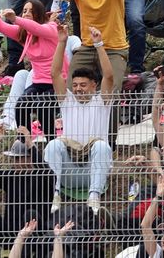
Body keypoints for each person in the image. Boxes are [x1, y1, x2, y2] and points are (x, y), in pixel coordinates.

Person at [45, 17, 115, 214]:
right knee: (54, 144)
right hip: (69, 169)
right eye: (75, 85)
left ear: (94, 85)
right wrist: (61, 42)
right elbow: (55, 74)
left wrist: (99, 44)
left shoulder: (102, 101)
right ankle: (55, 192)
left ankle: (94, 197)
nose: (78, 89)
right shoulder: (67, 101)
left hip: (93, 169)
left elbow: (109, 76)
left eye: (83, 85)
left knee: (101, 145)